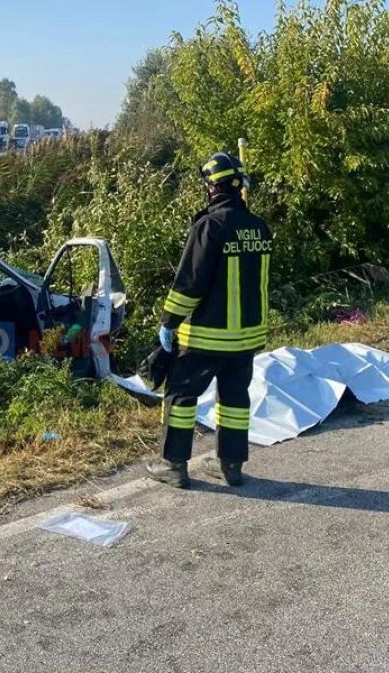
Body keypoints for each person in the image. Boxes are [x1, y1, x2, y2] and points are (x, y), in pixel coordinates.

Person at [145, 152, 273, 488]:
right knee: (234, 400)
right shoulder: (259, 227)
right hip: (247, 338)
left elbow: (190, 282)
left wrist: (169, 322)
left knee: (181, 397)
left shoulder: (210, 226)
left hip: (207, 337)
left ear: (210, 186)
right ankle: (231, 467)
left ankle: (173, 466)